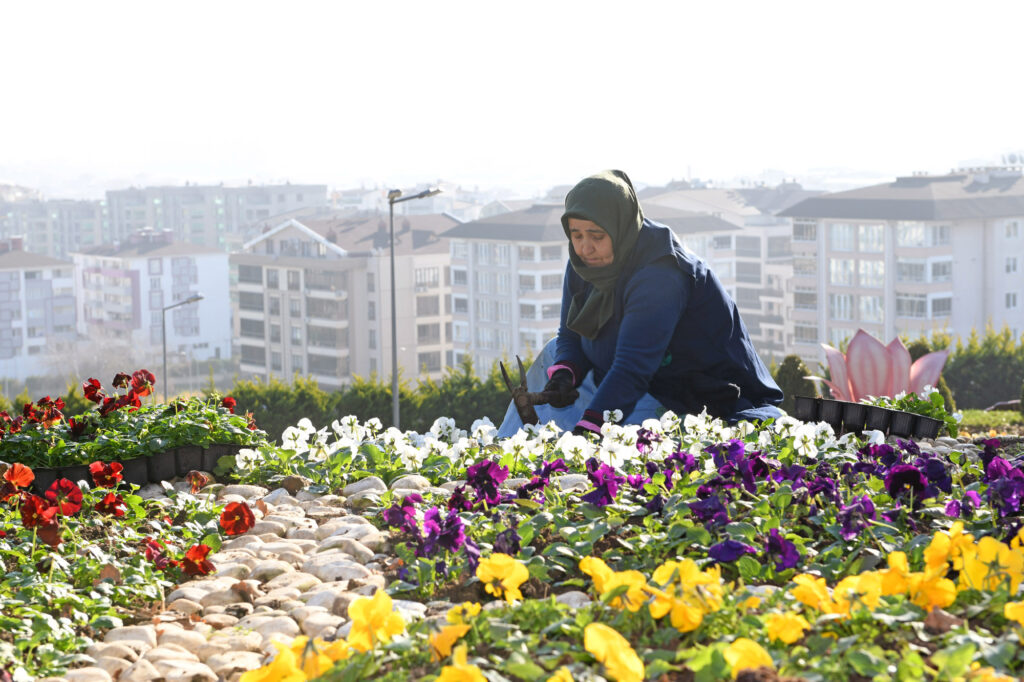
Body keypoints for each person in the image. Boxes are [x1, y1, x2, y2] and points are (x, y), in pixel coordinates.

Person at [496, 170, 784, 438]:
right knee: (552, 354)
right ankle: (506, 452)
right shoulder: (585, 264)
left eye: (596, 235)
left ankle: (572, 461)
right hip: (621, 373)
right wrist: (563, 376)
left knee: (631, 449)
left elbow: (633, 368)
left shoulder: (661, 274)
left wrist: (592, 427)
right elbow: (571, 334)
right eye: (576, 234)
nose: (585, 247)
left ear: (619, 227)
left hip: (682, 390)